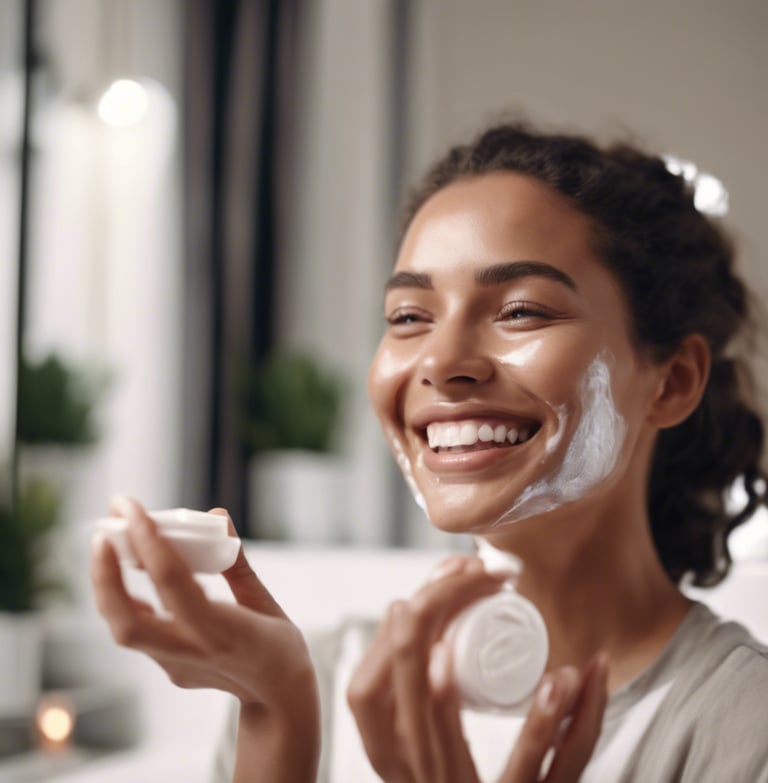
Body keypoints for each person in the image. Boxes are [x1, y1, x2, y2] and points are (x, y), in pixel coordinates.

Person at [91, 120, 768, 782]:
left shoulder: (741, 725)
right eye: (409, 317)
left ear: (672, 382)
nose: (442, 362)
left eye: (521, 310)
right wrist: (278, 719)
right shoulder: (316, 679)